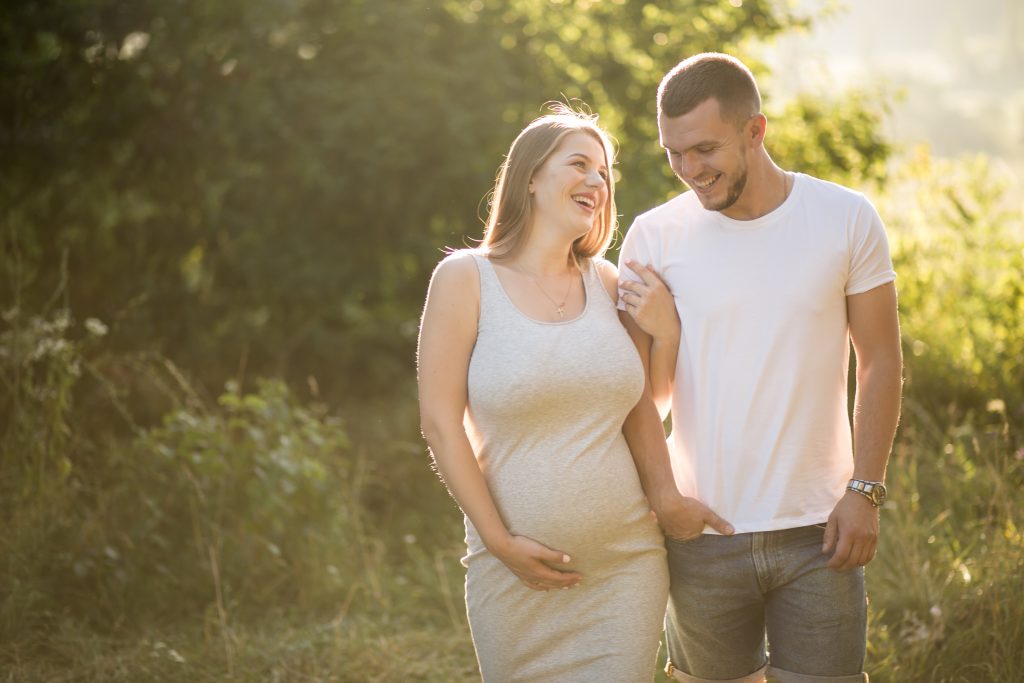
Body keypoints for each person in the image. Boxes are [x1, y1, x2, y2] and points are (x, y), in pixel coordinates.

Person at [617, 53, 903, 683]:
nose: (689, 170)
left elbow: (880, 359)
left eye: (705, 149)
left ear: (755, 131)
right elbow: (635, 392)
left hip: (821, 534)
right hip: (702, 534)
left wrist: (865, 490)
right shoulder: (652, 237)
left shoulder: (846, 218)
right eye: (674, 153)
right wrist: (665, 499)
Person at [417, 106, 729, 682]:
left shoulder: (607, 282)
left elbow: (643, 408)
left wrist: (667, 333)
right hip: (510, 571)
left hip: (625, 567)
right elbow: (440, 424)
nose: (596, 181)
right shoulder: (465, 279)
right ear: (530, 176)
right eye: (579, 164)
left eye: (604, 173)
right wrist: (499, 540)